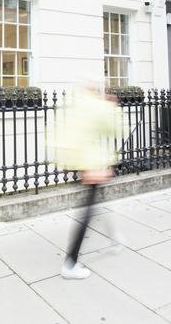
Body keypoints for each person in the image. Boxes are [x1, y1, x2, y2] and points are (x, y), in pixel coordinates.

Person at [50, 83, 118, 280]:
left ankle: (114, 237)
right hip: (93, 164)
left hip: (89, 163)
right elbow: (116, 129)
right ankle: (70, 263)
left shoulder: (80, 106)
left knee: (96, 202)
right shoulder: (94, 108)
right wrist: (111, 108)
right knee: (88, 210)